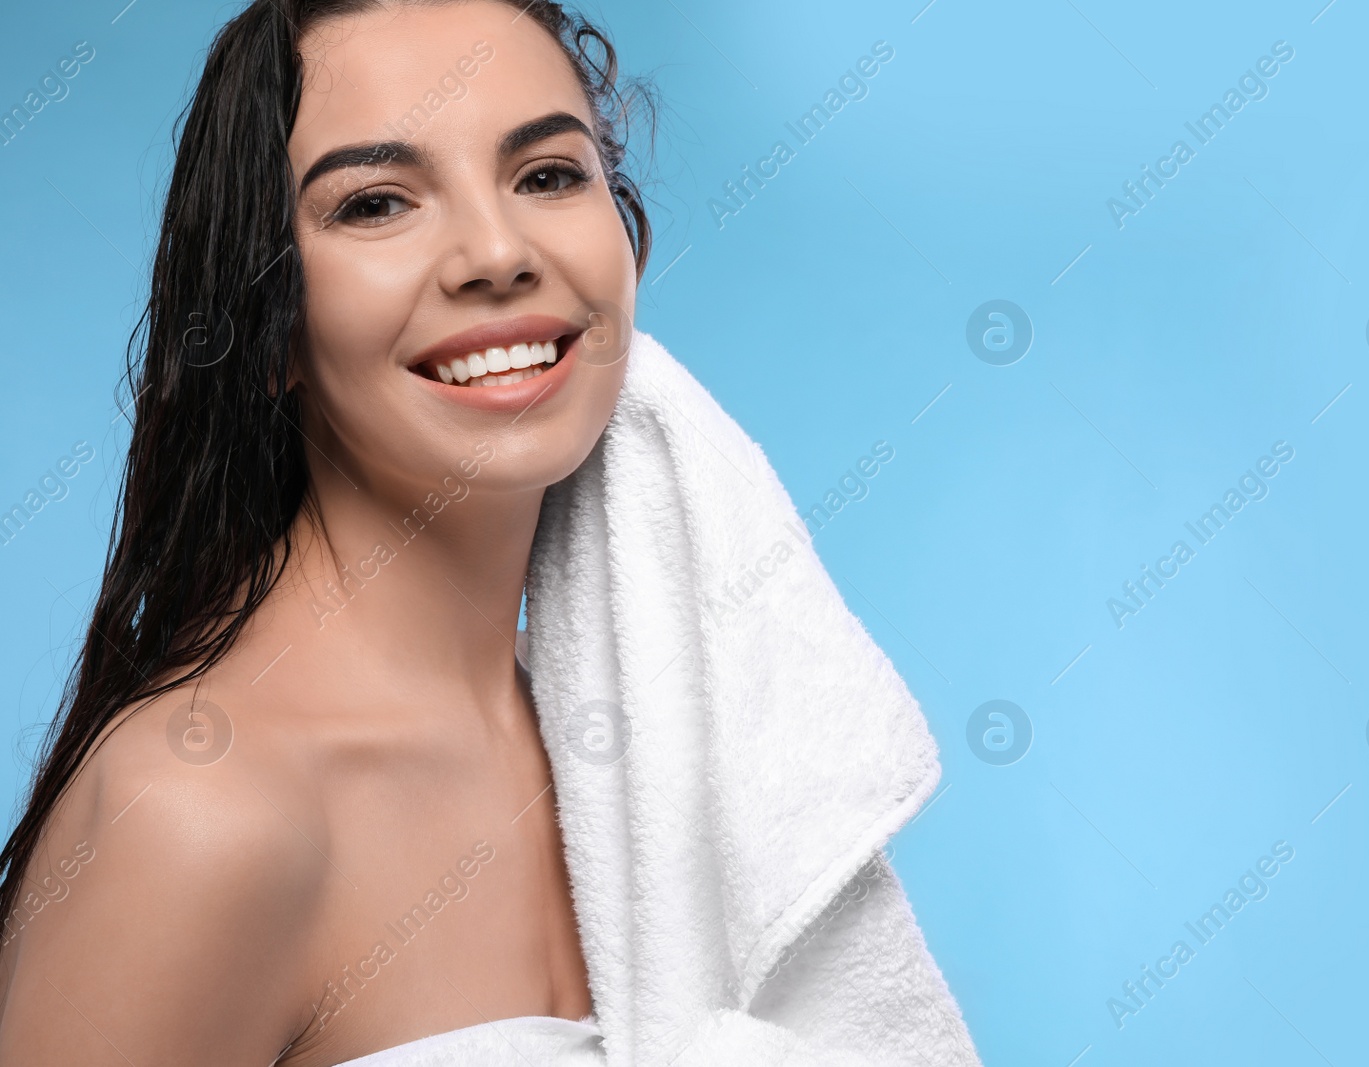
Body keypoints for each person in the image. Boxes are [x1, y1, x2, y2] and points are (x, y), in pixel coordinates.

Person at [0, 3, 982, 1064]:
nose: (497, 251)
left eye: (548, 175)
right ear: (265, 324)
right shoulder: (198, 814)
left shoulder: (658, 752)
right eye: (376, 202)